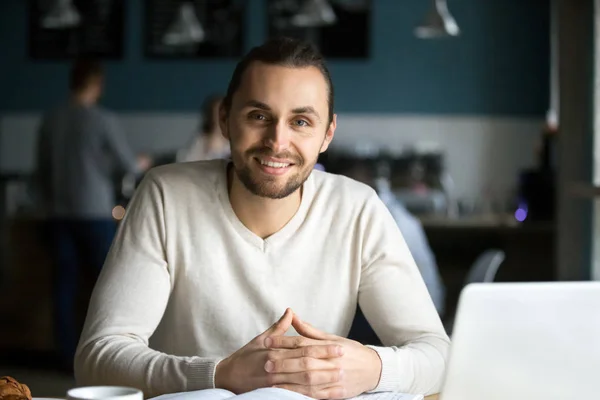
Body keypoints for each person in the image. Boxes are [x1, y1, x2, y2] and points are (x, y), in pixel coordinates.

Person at [75, 38, 450, 399]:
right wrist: (219, 374)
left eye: (301, 122)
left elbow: (440, 356)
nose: (277, 141)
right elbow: (97, 358)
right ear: (225, 119)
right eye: (259, 116)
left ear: (327, 134)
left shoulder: (358, 208)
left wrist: (371, 368)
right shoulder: (165, 194)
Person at [34, 58, 151, 370]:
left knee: (64, 286)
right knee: (109, 286)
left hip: (58, 213)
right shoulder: (102, 120)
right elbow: (128, 166)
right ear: (97, 84)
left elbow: (42, 171)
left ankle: (64, 357)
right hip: (96, 213)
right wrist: (142, 161)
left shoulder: (51, 120)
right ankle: (105, 358)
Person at [177, 95, 231, 162]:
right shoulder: (201, 140)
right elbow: (186, 161)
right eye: (217, 111)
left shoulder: (235, 140)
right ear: (211, 115)